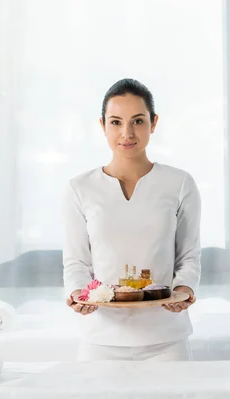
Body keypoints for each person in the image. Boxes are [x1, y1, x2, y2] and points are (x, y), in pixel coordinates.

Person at [62, 78, 201, 361]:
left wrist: (183, 289)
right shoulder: (80, 188)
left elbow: (189, 256)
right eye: (115, 122)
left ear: (154, 122)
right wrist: (78, 293)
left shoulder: (180, 183)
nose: (127, 133)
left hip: (166, 340)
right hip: (100, 341)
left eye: (138, 121)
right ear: (102, 125)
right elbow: (76, 260)